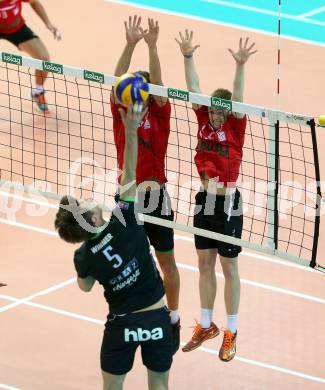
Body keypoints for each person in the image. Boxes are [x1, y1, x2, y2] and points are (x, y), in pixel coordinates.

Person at [55, 103, 173, 390]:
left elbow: (84, 286)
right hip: (157, 317)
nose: (88, 199)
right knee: (159, 385)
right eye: (85, 203)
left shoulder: (83, 256)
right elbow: (129, 169)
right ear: (94, 217)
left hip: (122, 325)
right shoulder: (124, 218)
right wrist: (131, 130)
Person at [176, 30, 257, 361]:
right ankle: (207, 325)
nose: (216, 115)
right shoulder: (203, 116)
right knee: (204, 263)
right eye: (213, 111)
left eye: (221, 112)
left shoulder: (236, 125)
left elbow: (237, 99)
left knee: (230, 266)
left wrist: (239, 66)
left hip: (228, 202)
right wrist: (187, 56)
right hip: (203, 200)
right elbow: (194, 89)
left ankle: (231, 331)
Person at [110, 15, 181, 351]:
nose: (137, 90)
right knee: (124, 263)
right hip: (127, 199)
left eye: (144, 86)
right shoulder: (123, 112)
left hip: (157, 198)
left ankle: (174, 318)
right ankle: (126, 314)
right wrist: (130, 43)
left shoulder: (161, 111)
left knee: (166, 262)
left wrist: (152, 46)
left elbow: (160, 84)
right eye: (134, 85)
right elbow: (116, 81)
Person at [0, 0, 61, 113]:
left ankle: (38, 92)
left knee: (43, 59)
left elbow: (34, 2)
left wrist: (48, 23)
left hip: (17, 29)